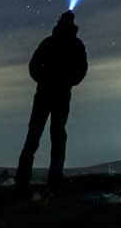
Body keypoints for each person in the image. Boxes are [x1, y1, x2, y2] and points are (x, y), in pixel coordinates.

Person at [16, 10, 87, 187]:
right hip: (61, 94)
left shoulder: (49, 42)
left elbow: (34, 65)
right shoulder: (76, 44)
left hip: (45, 93)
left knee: (34, 134)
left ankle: (22, 179)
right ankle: (55, 178)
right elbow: (81, 69)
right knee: (57, 134)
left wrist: (42, 79)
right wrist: (69, 81)